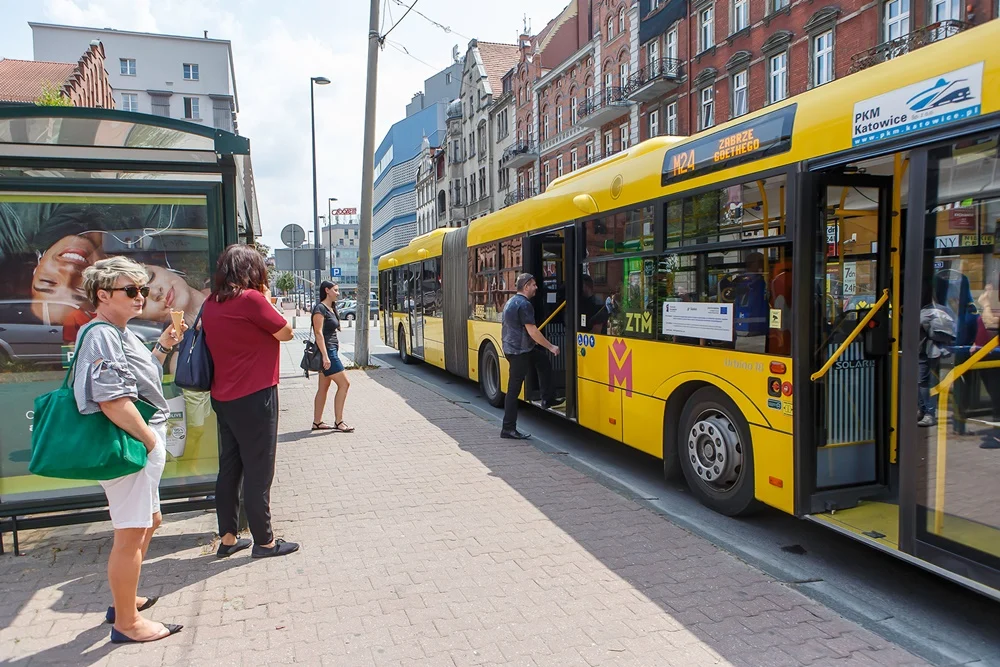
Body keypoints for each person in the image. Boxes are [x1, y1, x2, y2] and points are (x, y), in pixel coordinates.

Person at [74, 256, 186, 643]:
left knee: (149, 521)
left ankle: (124, 601)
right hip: (130, 444)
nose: (141, 296)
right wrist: (150, 440)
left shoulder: (119, 331)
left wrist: (162, 347)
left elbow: (141, 379)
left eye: (143, 289)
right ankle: (126, 623)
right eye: (131, 289)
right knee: (131, 532)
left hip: (137, 440)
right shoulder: (102, 334)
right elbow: (112, 399)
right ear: (103, 295)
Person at [202, 244, 299, 558]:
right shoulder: (251, 300)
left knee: (229, 469)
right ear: (252, 271)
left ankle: (228, 538)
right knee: (259, 470)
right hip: (256, 395)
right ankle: (265, 542)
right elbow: (286, 332)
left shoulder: (211, 303)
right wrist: (268, 299)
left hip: (223, 396)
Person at [500, 273, 561, 440]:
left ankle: (547, 398)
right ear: (526, 286)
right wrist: (551, 346)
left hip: (515, 349)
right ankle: (508, 428)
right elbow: (533, 331)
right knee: (513, 390)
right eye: (533, 285)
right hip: (519, 352)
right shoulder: (524, 304)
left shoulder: (511, 301)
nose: (536, 287)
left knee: (543, 361)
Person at [311, 281, 353, 433]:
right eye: (335, 290)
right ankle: (339, 421)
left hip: (330, 350)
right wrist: (325, 356)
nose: (338, 293)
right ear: (327, 290)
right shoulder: (320, 308)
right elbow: (318, 333)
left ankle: (317, 422)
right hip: (328, 352)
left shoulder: (331, 308)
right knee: (345, 384)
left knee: (323, 387)